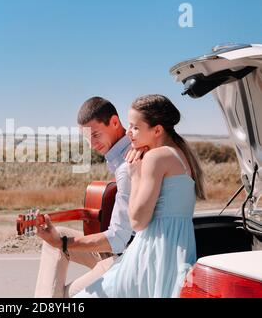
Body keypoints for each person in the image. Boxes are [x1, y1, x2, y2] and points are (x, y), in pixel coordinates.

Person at [74, 94, 206, 298]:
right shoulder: (181, 154)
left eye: (135, 127)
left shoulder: (156, 157)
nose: (129, 132)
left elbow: (137, 221)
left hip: (151, 253)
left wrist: (135, 175)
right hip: (176, 252)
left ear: (157, 130)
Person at [34, 96, 134, 298]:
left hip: (126, 257)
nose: (92, 144)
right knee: (58, 234)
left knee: (66, 296)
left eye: (95, 135)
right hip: (115, 248)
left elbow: (119, 239)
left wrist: (62, 243)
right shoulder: (120, 154)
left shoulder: (128, 162)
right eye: (87, 138)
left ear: (115, 122)